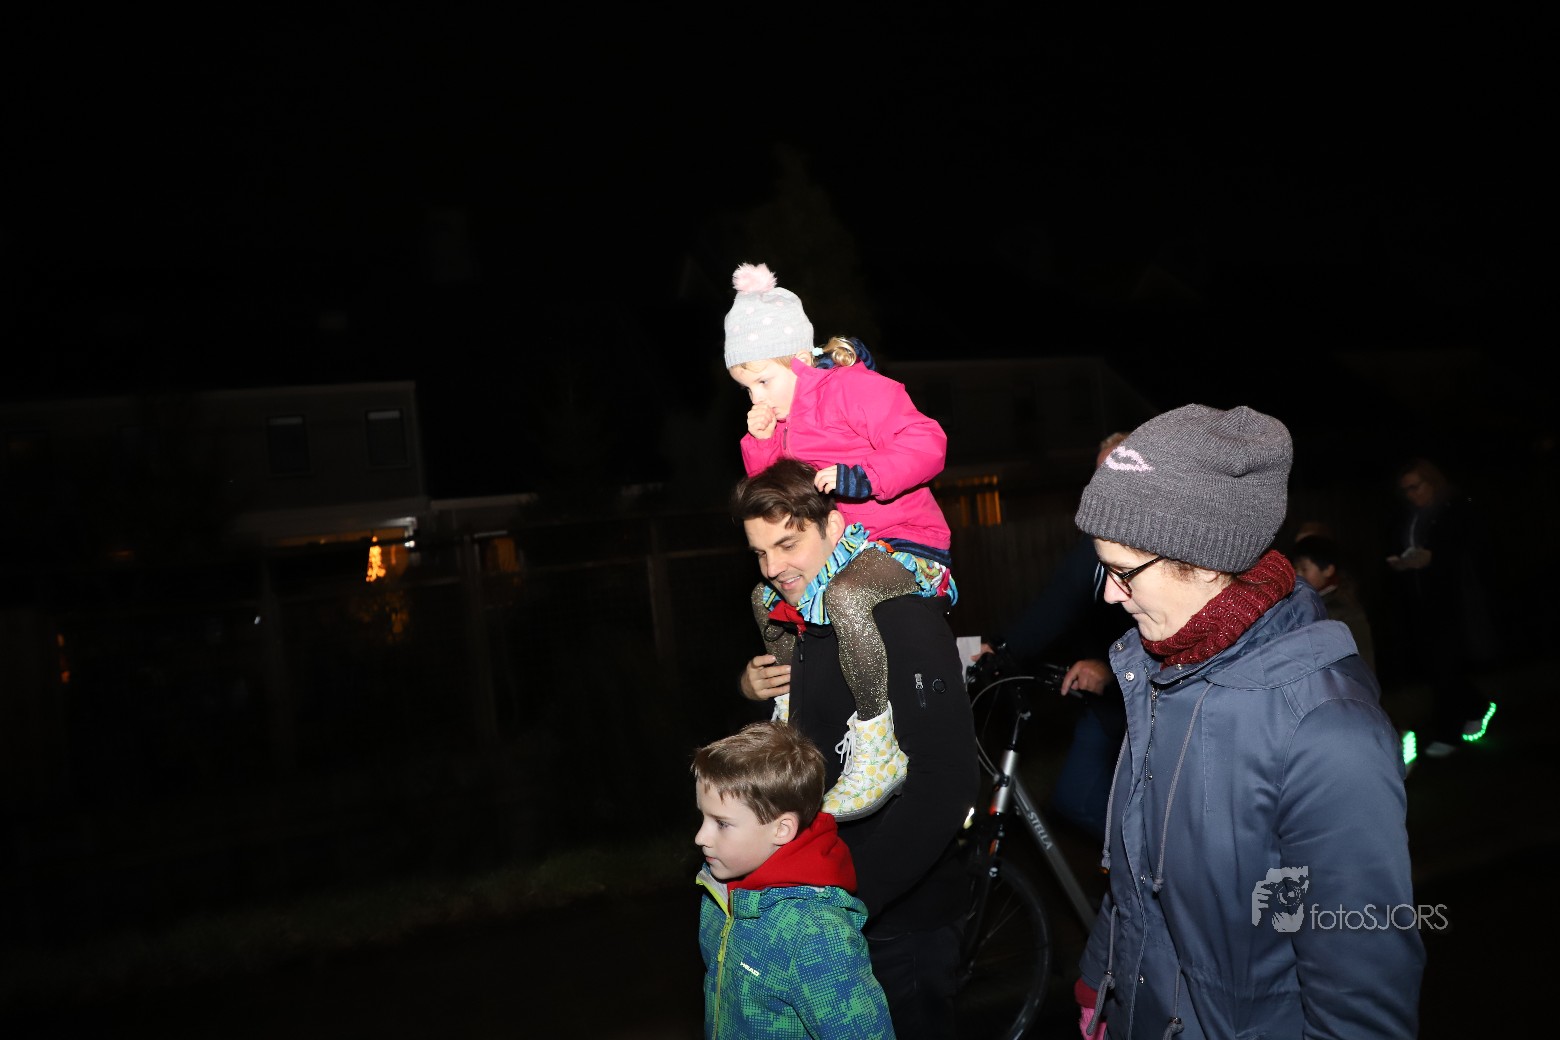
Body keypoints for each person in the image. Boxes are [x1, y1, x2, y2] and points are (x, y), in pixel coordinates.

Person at [1069, 404, 1423, 1039]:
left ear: (1208, 560)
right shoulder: (1157, 669)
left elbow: (1360, 1004)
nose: (1109, 595)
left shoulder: (1329, 734)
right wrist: (1101, 978)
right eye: (1104, 568)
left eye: (1123, 572)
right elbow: (1137, 876)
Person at [733, 458, 977, 1040]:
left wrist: (852, 894)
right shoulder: (805, 621)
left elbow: (946, 782)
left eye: (788, 544)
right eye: (760, 553)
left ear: (834, 526)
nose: (773, 568)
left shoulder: (900, 619)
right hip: (828, 905)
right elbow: (812, 743)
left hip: (897, 921)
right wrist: (750, 688)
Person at [724, 261, 956, 822]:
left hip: (906, 543)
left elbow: (928, 441)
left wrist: (864, 477)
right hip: (847, 552)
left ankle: (876, 742)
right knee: (764, 598)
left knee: (847, 596)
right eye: (746, 388)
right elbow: (777, 502)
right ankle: (790, 714)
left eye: (763, 381)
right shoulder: (781, 421)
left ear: (800, 359)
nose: (756, 396)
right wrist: (761, 445)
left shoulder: (851, 389)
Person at [973, 432, 1131, 846]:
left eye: (1115, 470)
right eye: (1098, 475)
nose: (1102, 485)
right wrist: (999, 649)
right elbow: (1054, 606)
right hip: (1108, 704)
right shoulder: (1094, 547)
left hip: (1153, 706)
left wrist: (1113, 669)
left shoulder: (1168, 541)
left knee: (1160, 810)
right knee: (1074, 799)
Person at [692, 720, 896, 1040]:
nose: (700, 837)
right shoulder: (718, 894)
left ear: (782, 829)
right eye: (703, 817)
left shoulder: (816, 935)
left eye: (722, 824)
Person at [1383, 456, 1497, 757]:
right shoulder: (1409, 516)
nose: (1411, 494)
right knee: (1436, 666)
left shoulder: (1454, 509)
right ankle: (1475, 706)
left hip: (1453, 602)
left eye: (1416, 487)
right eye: (1406, 489)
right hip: (1420, 601)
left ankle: (1450, 732)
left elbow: (1472, 550)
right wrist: (1401, 563)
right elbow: (1399, 545)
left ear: (1432, 482)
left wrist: (1435, 558)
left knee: (1444, 665)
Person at [1288, 531, 1377, 673]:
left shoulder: (1343, 610)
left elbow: (1362, 658)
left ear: (1328, 570)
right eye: (1295, 568)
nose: (1298, 574)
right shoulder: (1309, 603)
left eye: (1304, 569)